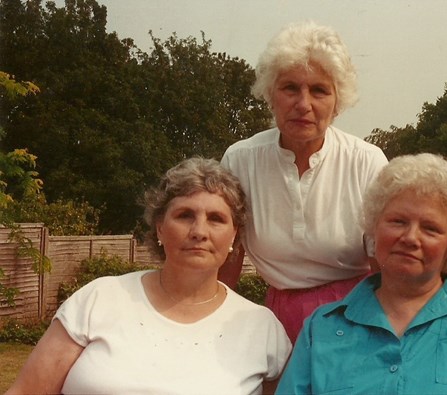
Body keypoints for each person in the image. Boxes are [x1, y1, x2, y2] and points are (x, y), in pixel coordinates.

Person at [276, 153, 447, 394]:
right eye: (397, 221)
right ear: (374, 229)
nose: (411, 238)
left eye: (431, 228)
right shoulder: (321, 329)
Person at [7, 157, 291, 395]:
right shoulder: (99, 299)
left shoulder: (262, 328)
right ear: (159, 228)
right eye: (184, 215)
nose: (199, 232)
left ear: (235, 235)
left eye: (216, 219)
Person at [220, 20, 388, 344]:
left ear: (338, 103)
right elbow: (228, 258)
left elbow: (384, 268)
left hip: (355, 315)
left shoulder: (367, 161)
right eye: (290, 88)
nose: (303, 104)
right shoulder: (240, 160)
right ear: (271, 94)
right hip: (278, 319)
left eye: (319, 90)